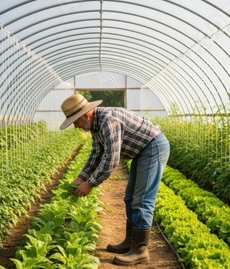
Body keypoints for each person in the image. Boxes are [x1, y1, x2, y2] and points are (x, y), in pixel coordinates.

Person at [59, 93, 170, 265]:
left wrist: (90, 184)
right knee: (130, 197)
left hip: (153, 147)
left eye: (75, 121)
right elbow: (96, 154)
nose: (75, 126)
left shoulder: (108, 120)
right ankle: (130, 241)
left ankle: (140, 250)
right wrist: (81, 177)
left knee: (142, 199)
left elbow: (111, 159)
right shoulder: (96, 126)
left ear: (85, 115)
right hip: (142, 151)